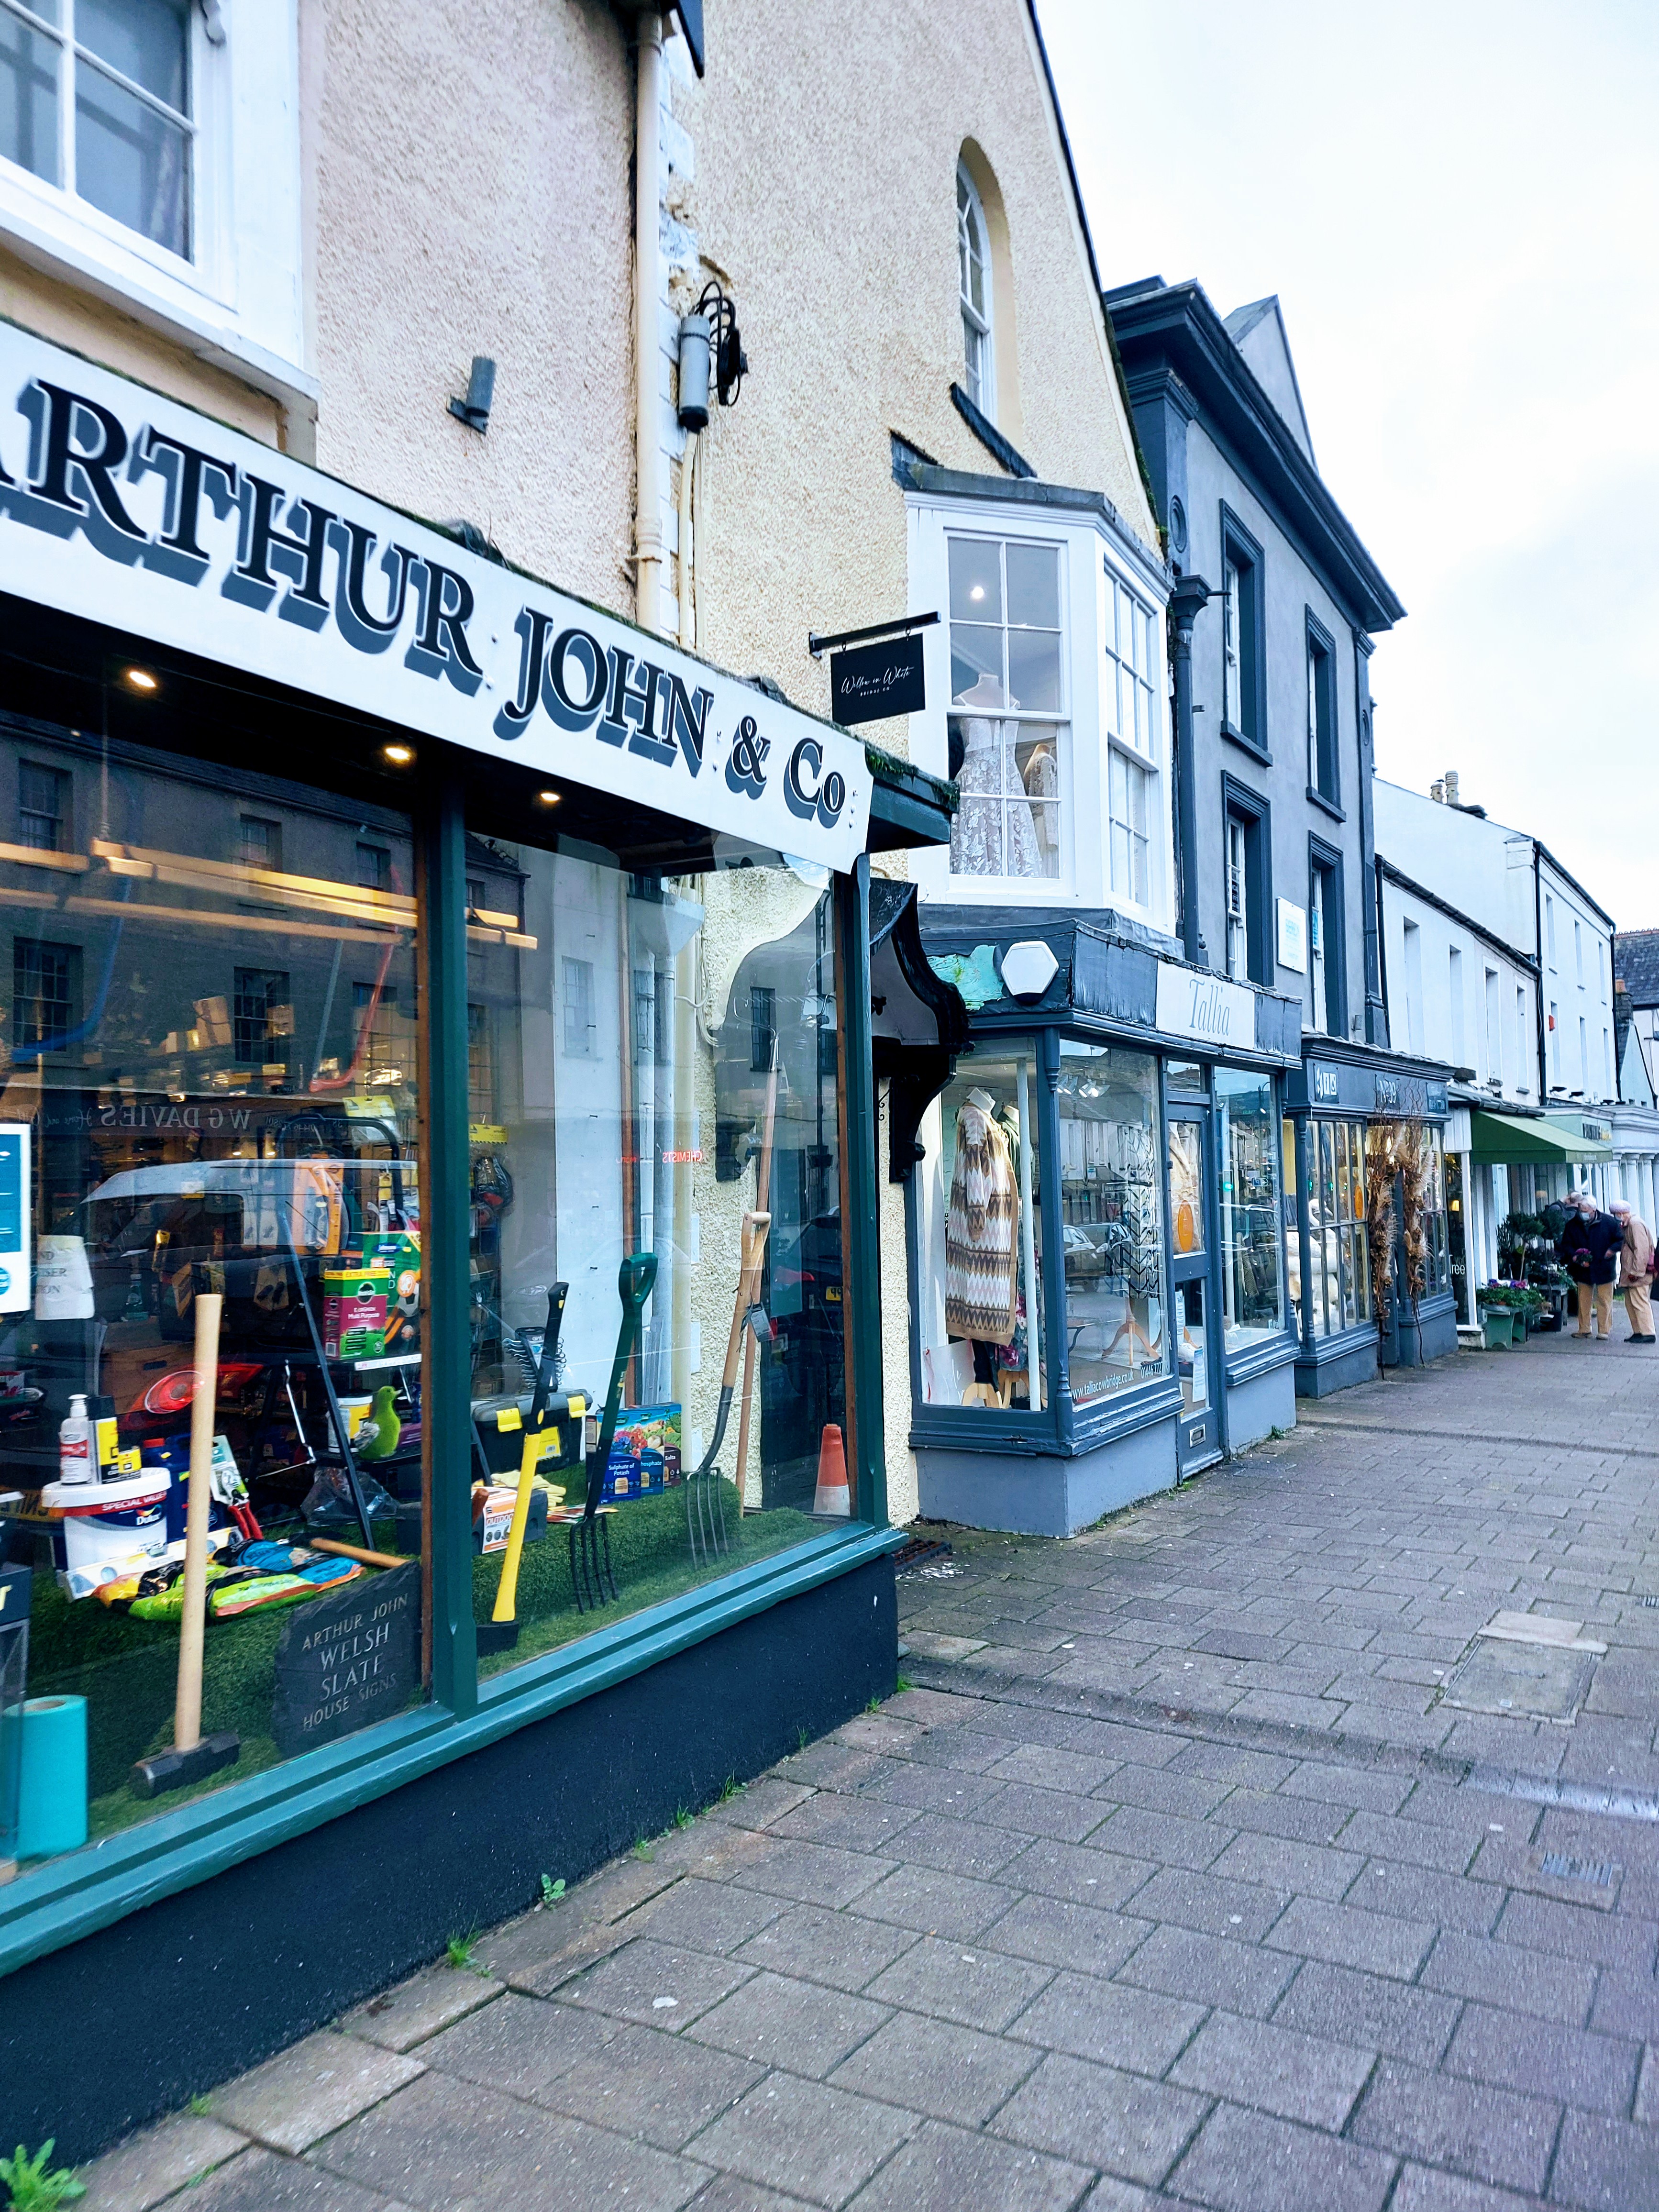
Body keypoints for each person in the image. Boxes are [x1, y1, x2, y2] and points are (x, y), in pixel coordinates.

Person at [1558, 1189, 1621, 1339]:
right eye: (1581, 1211)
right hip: (1582, 1268)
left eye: (1586, 1211)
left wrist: (1611, 1250)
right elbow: (1566, 1244)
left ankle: (1604, 1330)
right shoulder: (1573, 1225)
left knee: (1604, 1300)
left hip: (1604, 1267)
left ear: (1594, 1210)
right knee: (1584, 1300)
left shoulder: (1609, 1222)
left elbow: (1620, 1240)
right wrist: (1575, 1257)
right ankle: (1584, 1329)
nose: (1582, 1214)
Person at [1609, 1199, 1656, 1344]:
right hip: (1632, 1272)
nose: (1615, 1216)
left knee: (1640, 1302)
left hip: (1638, 1273)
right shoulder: (1629, 1225)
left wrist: (1636, 1272)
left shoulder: (1635, 1225)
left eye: (1615, 1214)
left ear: (1621, 1213)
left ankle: (1648, 1332)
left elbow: (1641, 1250)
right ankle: (1638, 1331)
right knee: (1631, 1303)